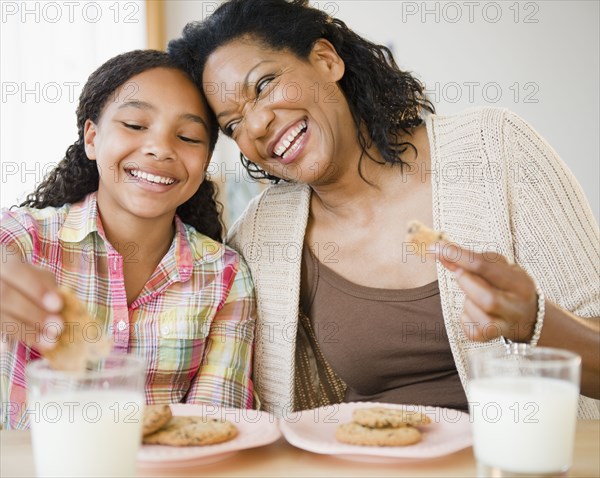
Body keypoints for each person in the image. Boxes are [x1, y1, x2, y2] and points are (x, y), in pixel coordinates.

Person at [168, 0, 599, 419]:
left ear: (325, 59)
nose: (257, 125)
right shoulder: (262, 237)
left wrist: (535, 324)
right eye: (233, 125)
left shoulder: (494, 149)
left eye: (263, 85)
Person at [0, 50, 256, 430]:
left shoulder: (226, 277)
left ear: (204, 164)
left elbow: (212, 426)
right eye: (135, 125)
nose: (161, 148)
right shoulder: (26, 239)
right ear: (91, 137)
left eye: (187, 136)